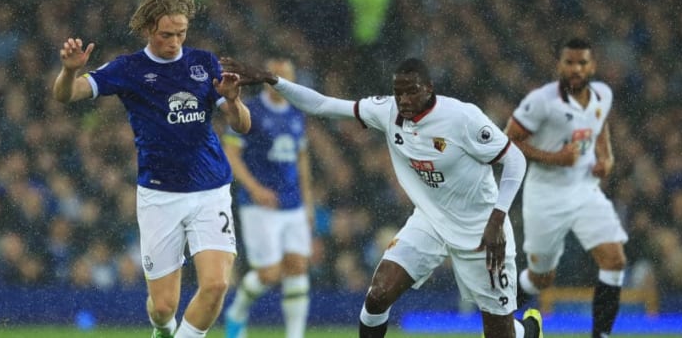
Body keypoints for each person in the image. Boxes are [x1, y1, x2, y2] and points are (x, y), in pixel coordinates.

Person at [223, 56, 543, 338]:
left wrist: (498, 219)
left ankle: (527, 330)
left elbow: (514, 159)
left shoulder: (462, 118)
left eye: (411, 91)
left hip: (481, 227)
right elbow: (322, 104)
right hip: (430, 221)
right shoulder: (387, 111)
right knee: (378, 294)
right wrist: (272, 80)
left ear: (429, 89)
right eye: (398, 91)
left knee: (500, 333)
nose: (403, 99)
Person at [51, 0, 251, 338]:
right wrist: (69, 72)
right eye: (166, 35)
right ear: (147, 29)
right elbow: (67, 95)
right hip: (159, 196)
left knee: (217, 284)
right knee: (162, 308)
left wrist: (234, 102)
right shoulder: (129, 68)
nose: (174, 42)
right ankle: (163, 329)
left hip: (211, 190)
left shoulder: (205, 63)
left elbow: (243, 125)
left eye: (181, 33)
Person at [505, 38, 628, 338]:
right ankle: (500, 320)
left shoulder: (602, 95)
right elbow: (508, 141)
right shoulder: (541, 102)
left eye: (582, 63)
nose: (576, 69)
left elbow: (599, 123)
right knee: (541, 278)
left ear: (592, 66)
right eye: (569, 62)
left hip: (585, 189)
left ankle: (601, 335)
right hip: (545, 195)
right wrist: (555, 158)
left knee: (615, 260)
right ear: (559, 66)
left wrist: (606, 156)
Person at [222, 58, 313, 338]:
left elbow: (301, 159)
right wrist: (254, 188)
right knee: (270, 274)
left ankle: (295, 335)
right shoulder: (253, 111)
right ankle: (237, 311)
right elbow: (231, 153)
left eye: (288, 75)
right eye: (278, 76)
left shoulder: (297, 112)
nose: (283, 81)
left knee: (297, 266)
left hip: (293, 203)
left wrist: (308, 202)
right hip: (260, 206)